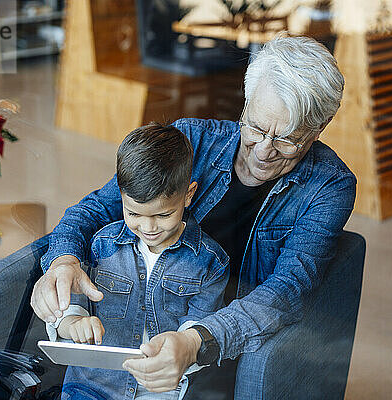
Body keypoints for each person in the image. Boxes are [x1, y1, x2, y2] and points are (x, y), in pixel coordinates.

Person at [33, 34, 356, 398]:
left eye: (287, 140)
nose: (264, 151)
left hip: (226, 337)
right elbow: (94, 211)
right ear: (246, 102)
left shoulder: (330, 187)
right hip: (150, 319)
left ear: (321, 126)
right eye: (255, 127)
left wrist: (195, 340)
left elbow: (286, 291)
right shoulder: (189, 140)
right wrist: (62, 260)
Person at [44, 122, 229, 399]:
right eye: (134, 214)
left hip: (161, 390)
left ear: (188, 195)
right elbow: (75, 294)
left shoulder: (210, 263)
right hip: (92, 385)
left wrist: (183, 346)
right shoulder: (102, 245)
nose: (149, 227)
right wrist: (73, 323)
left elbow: (197, 330)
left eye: (163, 215)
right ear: (120, 197)